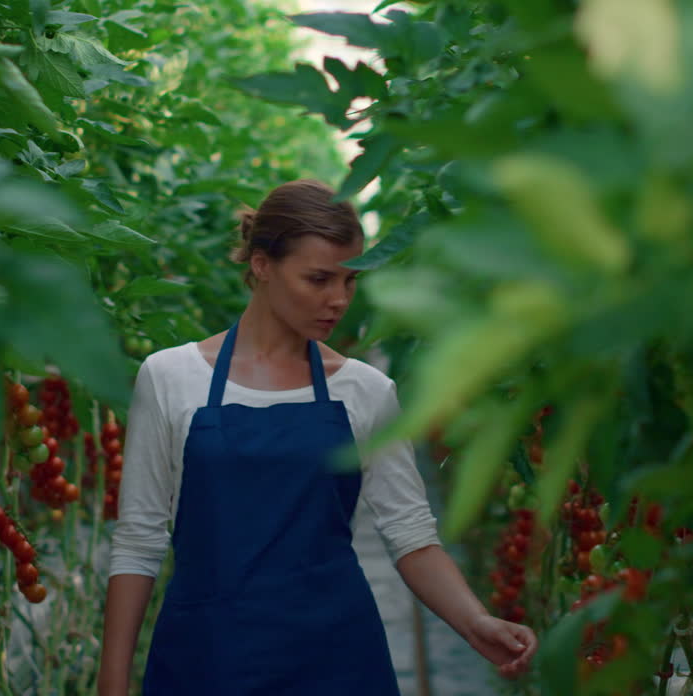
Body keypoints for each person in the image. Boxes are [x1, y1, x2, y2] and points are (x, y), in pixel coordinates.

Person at [96, 179, 538, 695]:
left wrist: (476, 623)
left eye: (350, 282)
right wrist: (113, 679)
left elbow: (411, 534)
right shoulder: (171, 377)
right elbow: (139, 539)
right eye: (319, 279)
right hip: (207, 657)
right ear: (261, 265)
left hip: (337, 658)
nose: (338, 300)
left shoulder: (365, 390)